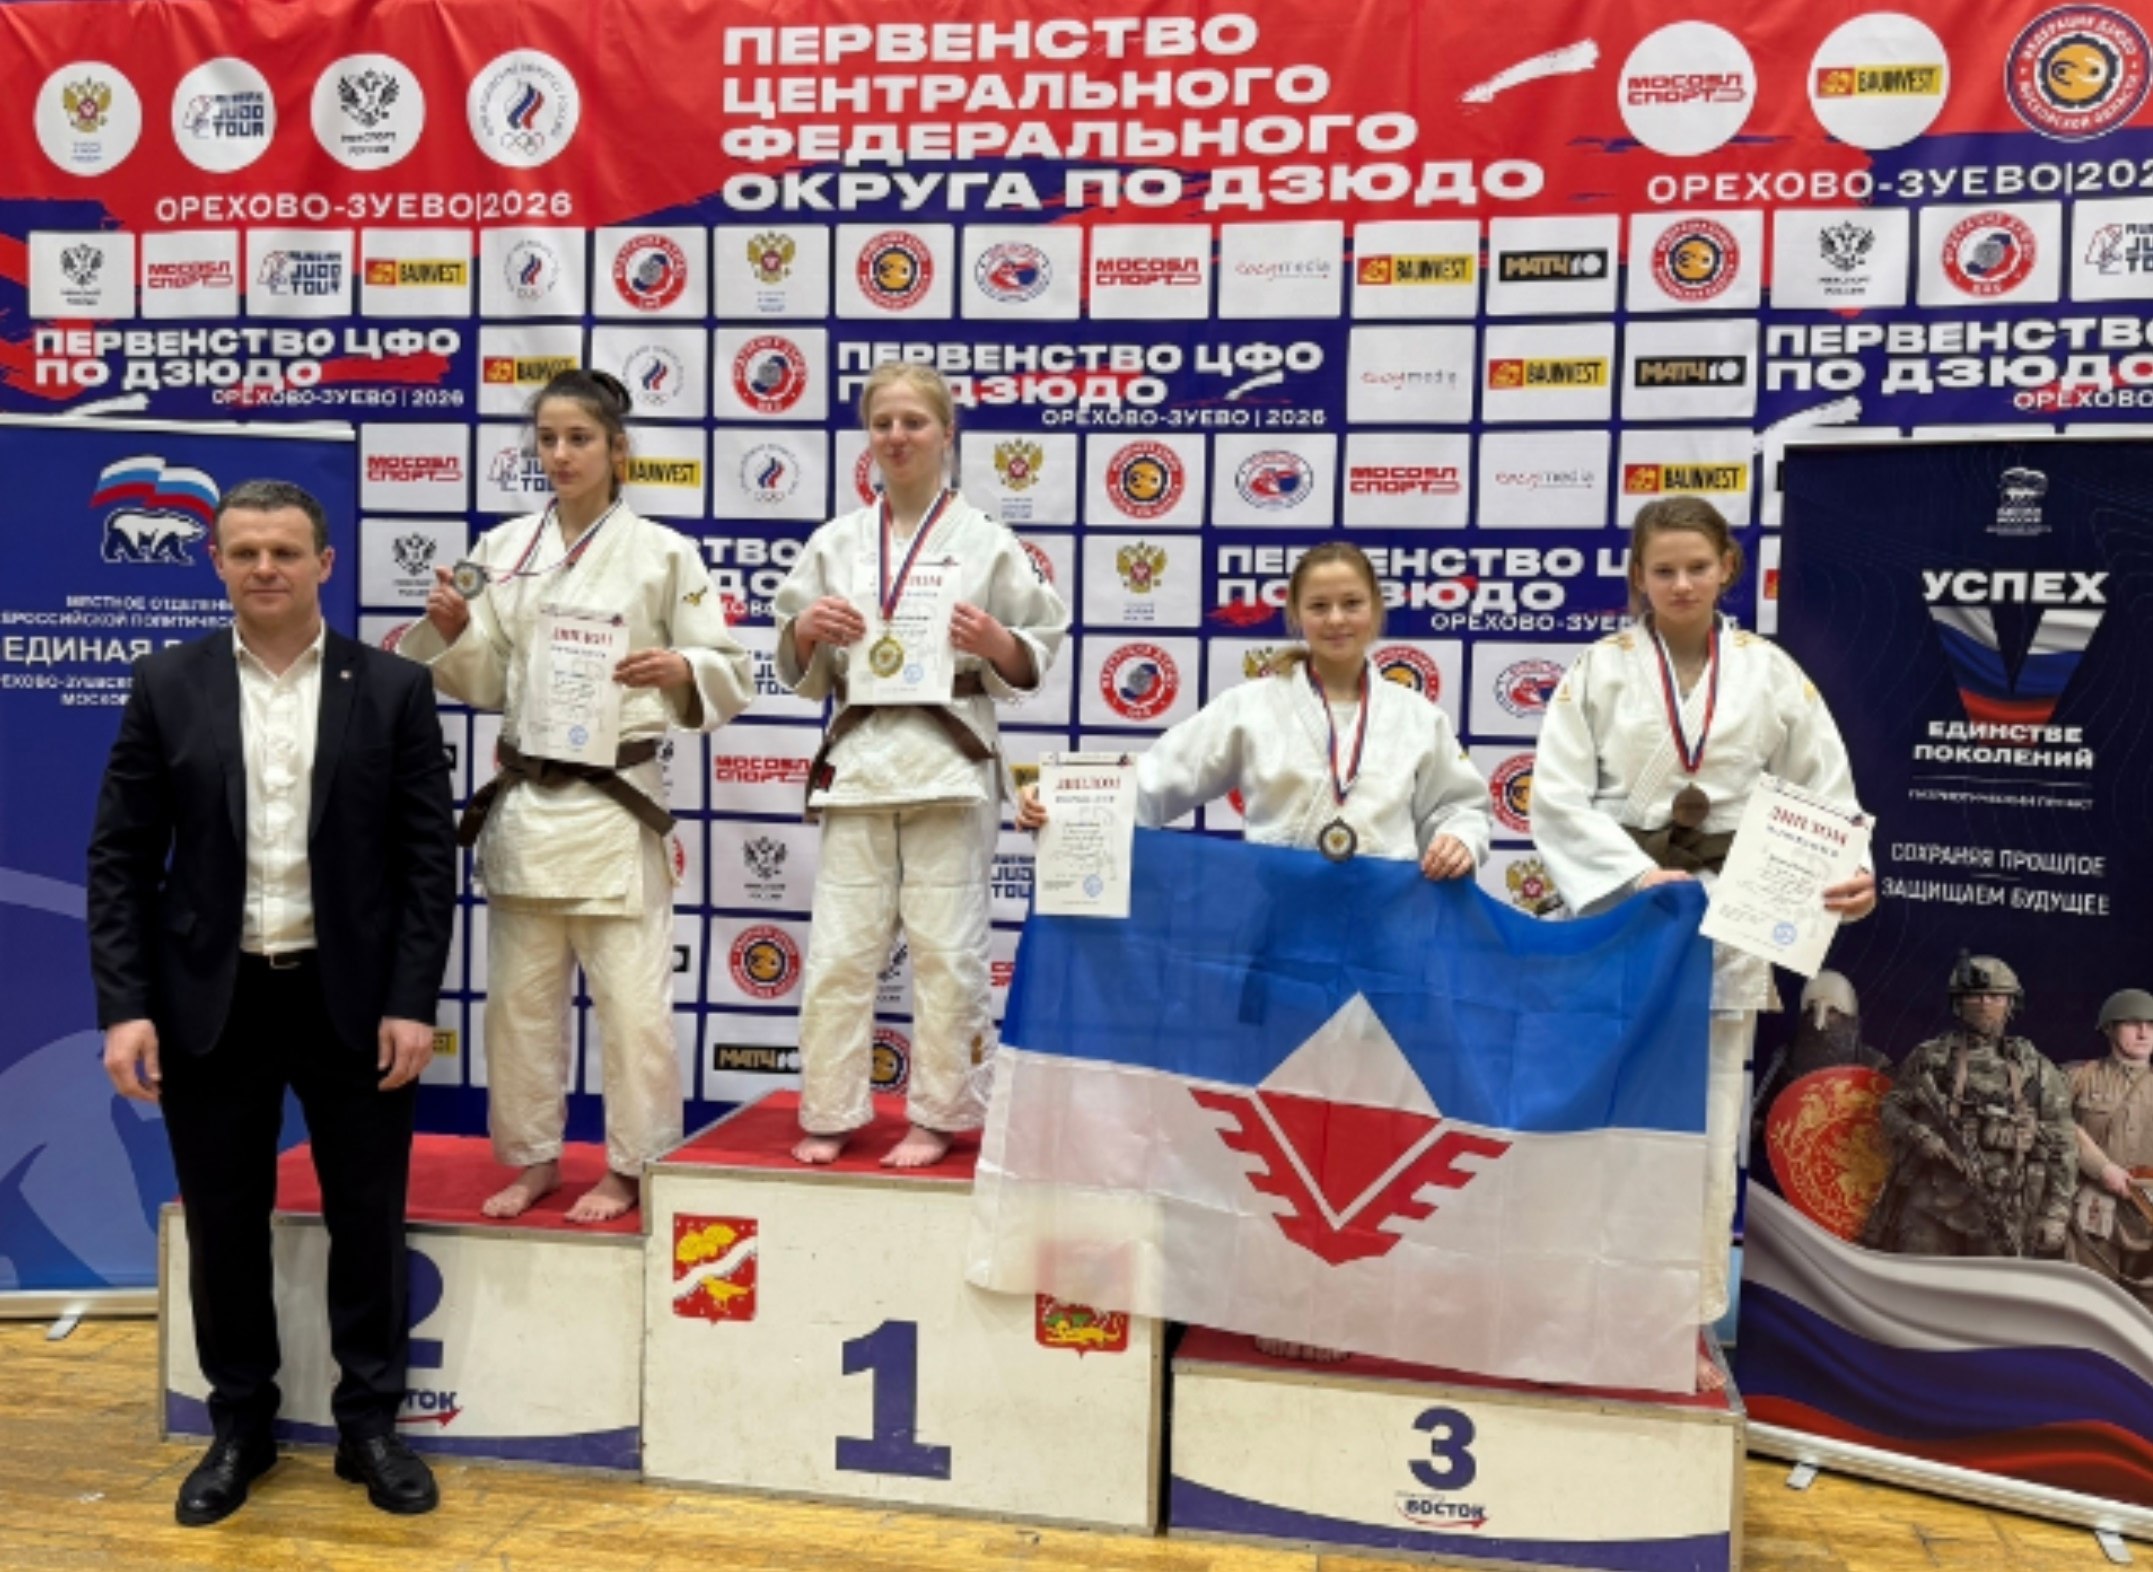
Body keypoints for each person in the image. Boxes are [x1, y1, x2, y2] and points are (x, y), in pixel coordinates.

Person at [1018, 540, 1492, 1359]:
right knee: (1274, 1128)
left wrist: (1460, 838)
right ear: (1294, 617)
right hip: (1281, 944)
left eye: (1351, 603)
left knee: (1361, 1128)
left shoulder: (1416, 718)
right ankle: (1271, 1300)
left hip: (1384, 947)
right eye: (1319, 606)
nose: (1336, 619)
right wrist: (1065, 805)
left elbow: (1463, 805)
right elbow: (1155, 781)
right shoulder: (1251, 706)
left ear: (1376, 611)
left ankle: (1345, 1301)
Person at [87, 479, 457, 1524]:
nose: (265, 569)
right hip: (211, 1003)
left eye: (285, 551)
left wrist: (410, 1001)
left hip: (353, 1003)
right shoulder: (168, 682)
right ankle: (239, 1428)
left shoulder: (392, 688)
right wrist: (126, 1006)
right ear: (215, 562)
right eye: (244, 551)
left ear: (324, 564)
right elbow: (120, 858)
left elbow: (425, 864)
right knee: (223, 1227)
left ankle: (370, 1426)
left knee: (366, 1221)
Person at [1530, 494, 1876, 1389]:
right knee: (1597, 1110)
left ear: (1727, 568)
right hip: (1622, 912)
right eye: (1662, 570)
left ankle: (1681, 1319)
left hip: (1732, 914)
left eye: (1696, 566)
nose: (1680, 583)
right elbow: (1556, 798)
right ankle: (1574, 1300)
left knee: (1712, 1121)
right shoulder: (1598, 672)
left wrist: (1850, 871)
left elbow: (1826, 793)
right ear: (1636, 578)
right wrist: (1629, 873)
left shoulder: (1771, 674)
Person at [402, 369, 753, 1222]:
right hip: (528, 803)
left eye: (580, 439)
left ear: (617, 448)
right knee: (518, 1007)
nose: (560, 454)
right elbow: (487, 681)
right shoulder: (501, 548)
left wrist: (681, 667)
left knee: (634, 1008)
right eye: (548, 439)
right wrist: (454, 634)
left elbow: (728, 670)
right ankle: (533, 1158)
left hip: (615, 803)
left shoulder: (664, 553)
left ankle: (633, 1164)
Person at [774, 362, 1069, 1169]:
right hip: (861, 761)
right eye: (883, 423)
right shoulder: (836, 542)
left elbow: (1037, 648)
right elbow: (797, 659)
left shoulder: (988, 542)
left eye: (914, 422)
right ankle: (830, 1106)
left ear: (947, 433)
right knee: (840, 951)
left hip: (951, 762)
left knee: (948, 952)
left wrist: (997, 642)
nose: (897, 437)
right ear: (867, 436)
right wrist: (807, 629)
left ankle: (940, 1113)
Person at [1862, 955, 2074, 1260]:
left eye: (1995, 996)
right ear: (1958, 1002)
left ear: (2011, 1003)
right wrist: (1917, 1134)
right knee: (1920, 1280)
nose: (1985, 1004)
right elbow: (1891, 1109)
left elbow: (2062, 1142)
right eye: (1975, 996)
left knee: (1995, 1286)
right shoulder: (1931, 1058)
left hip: (2003, 1204)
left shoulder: (2034, 1067)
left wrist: (2056, 1213)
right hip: (1931, 1201)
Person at [2066, 989, 2153, 1305]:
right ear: (2109, 1029)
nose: (2144, 1033)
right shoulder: (2078, 1078)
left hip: (2148, 1215)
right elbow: (2055, 1126)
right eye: (2132, 1023)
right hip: (2092, 1216)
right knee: (2089, 1303)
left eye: (2151, 1025)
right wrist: (2101, 1168)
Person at [1750, 969, 1891, 1149]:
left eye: (1832, 1011)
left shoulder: (1875, 1068)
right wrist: (1756, 1125)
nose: (1819, 1022)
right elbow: (1766, 1116)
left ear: (1851, 1020)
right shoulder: (1784, 1059)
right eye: (1812, 1010)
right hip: (1797, 1152)